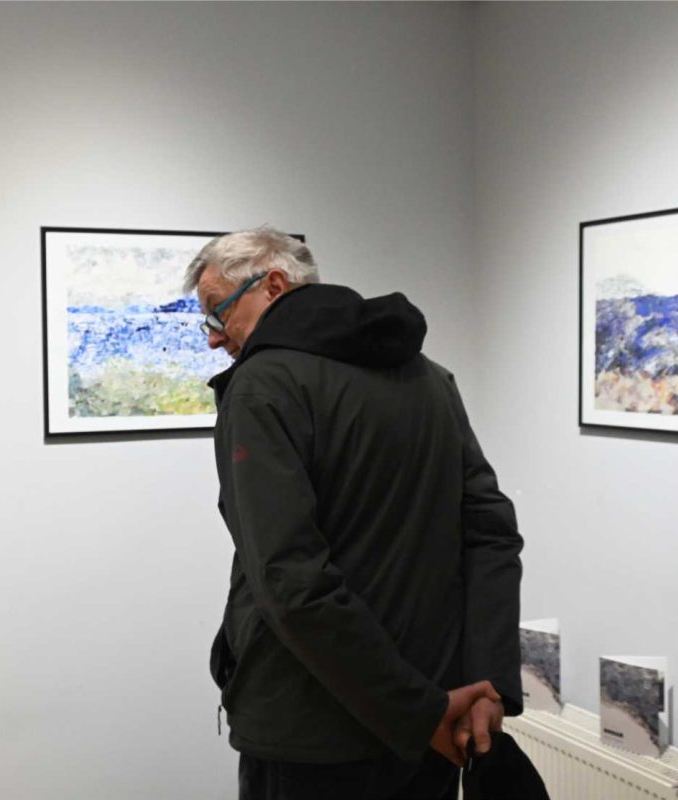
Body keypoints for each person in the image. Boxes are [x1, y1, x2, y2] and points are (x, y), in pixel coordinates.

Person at [184, 227, 524, 800]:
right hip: (436, 725)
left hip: (313, 733)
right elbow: (491, 536)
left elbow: (292, 581)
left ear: (273, 286)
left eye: (218, 313)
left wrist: (418, 712)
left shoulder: (262, 388)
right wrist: (485, 685)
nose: (215, 339)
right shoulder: (430, 378)